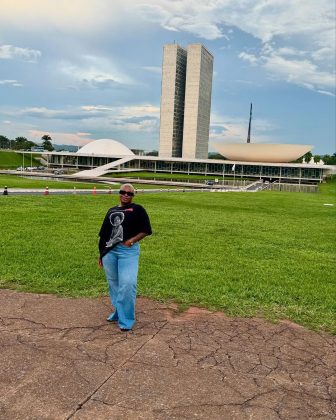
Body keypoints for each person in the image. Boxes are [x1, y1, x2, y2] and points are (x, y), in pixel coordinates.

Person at [98, 183, 152, 331]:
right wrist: (101, 254)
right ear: (119, 193)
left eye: (130, 193)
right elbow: (103, 235)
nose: (126, 195)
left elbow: (146, 230)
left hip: (127, 251)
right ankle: (118, 312)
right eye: (123, 192)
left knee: (128, 283)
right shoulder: (111, 210)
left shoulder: (138, 209)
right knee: (114, 284)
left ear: (133, 196)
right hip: (109, 251)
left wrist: (132, 240)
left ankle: (126, 319)